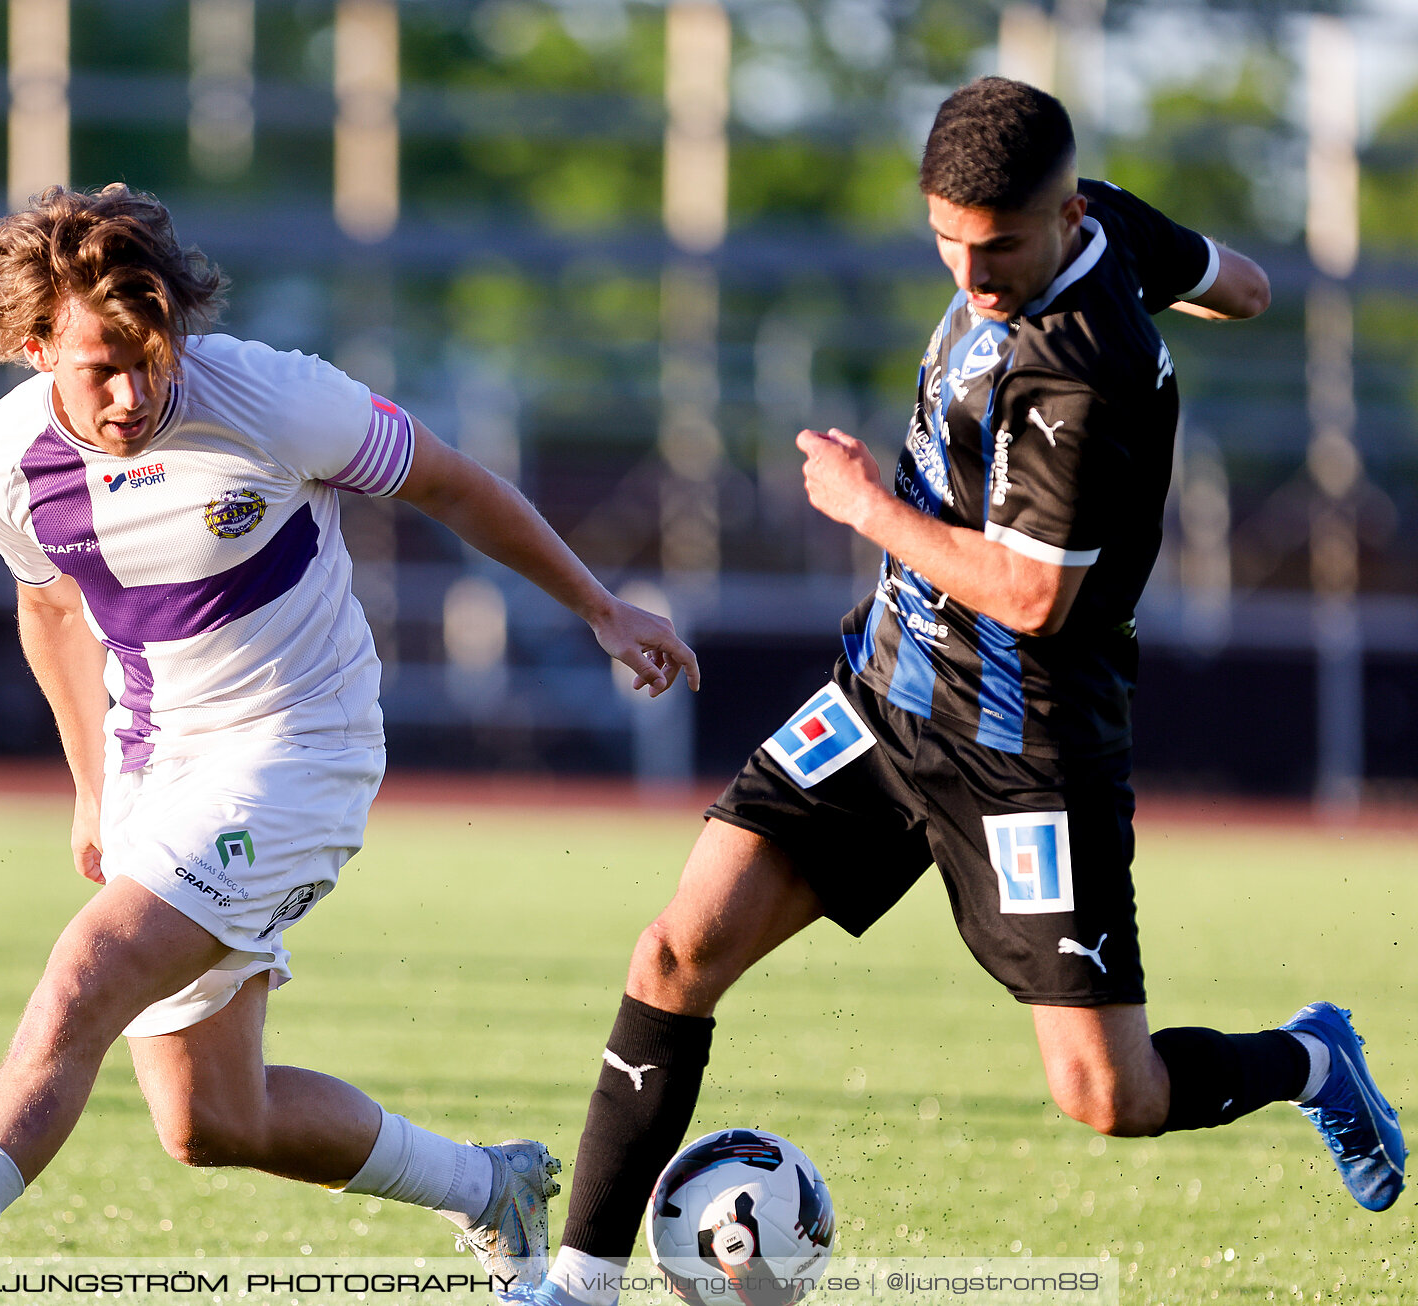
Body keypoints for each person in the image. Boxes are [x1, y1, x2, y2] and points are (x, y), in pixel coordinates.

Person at [532, 76, 1403, 1306]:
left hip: (1028, 753)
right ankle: (573, 1283)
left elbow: (1033, 596)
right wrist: (1212, 283)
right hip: (886, 697)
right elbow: (1247, 285)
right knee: (677, 949)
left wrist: (865, 505)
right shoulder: (1103, 220)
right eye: (948, 239)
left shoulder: (1084, 369)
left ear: (1056, 218)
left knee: (1112, 1093)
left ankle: (1312, 1060)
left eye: (996, 249)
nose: (972, 273)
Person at [0, 182, 700, 1306]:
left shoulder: (273, 396)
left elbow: (453, 483)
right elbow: (55, 608)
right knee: (211, 1118)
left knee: (81, 982)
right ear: (31, 349)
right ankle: (487, 1186)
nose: (131, 390)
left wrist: (601, 606)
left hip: (302, 751)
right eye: (97, 365)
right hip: (163, 765)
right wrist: (92, 789)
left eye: (149, 354)